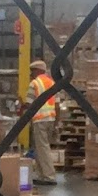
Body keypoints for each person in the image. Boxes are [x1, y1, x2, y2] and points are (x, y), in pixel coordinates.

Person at [27, 57, 58, 185]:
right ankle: (41, 174)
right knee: (40, 147)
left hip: (39, 119)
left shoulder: (34, 83)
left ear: (37, 70)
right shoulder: (52, 83)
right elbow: (57, 104)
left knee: (43, 148)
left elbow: (29, 104)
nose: (31, 74)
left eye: (32, 71)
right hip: (51, 118)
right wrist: (57, 122)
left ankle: (49, 176)